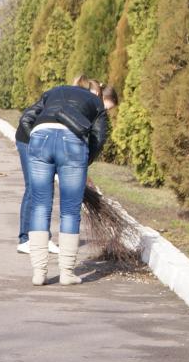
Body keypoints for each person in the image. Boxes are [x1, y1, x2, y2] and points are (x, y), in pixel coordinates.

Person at [17, 83, 116, 285]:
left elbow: (26, 118)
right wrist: (82, 164)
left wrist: (36, 147)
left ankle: (39, 272)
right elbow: (98, 139)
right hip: (73, 143)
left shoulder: (54, 91)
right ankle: (67, 273)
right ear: (97, 93)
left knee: (39, 206)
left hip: (40, 137)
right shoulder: (96, 103)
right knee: (70, 211)